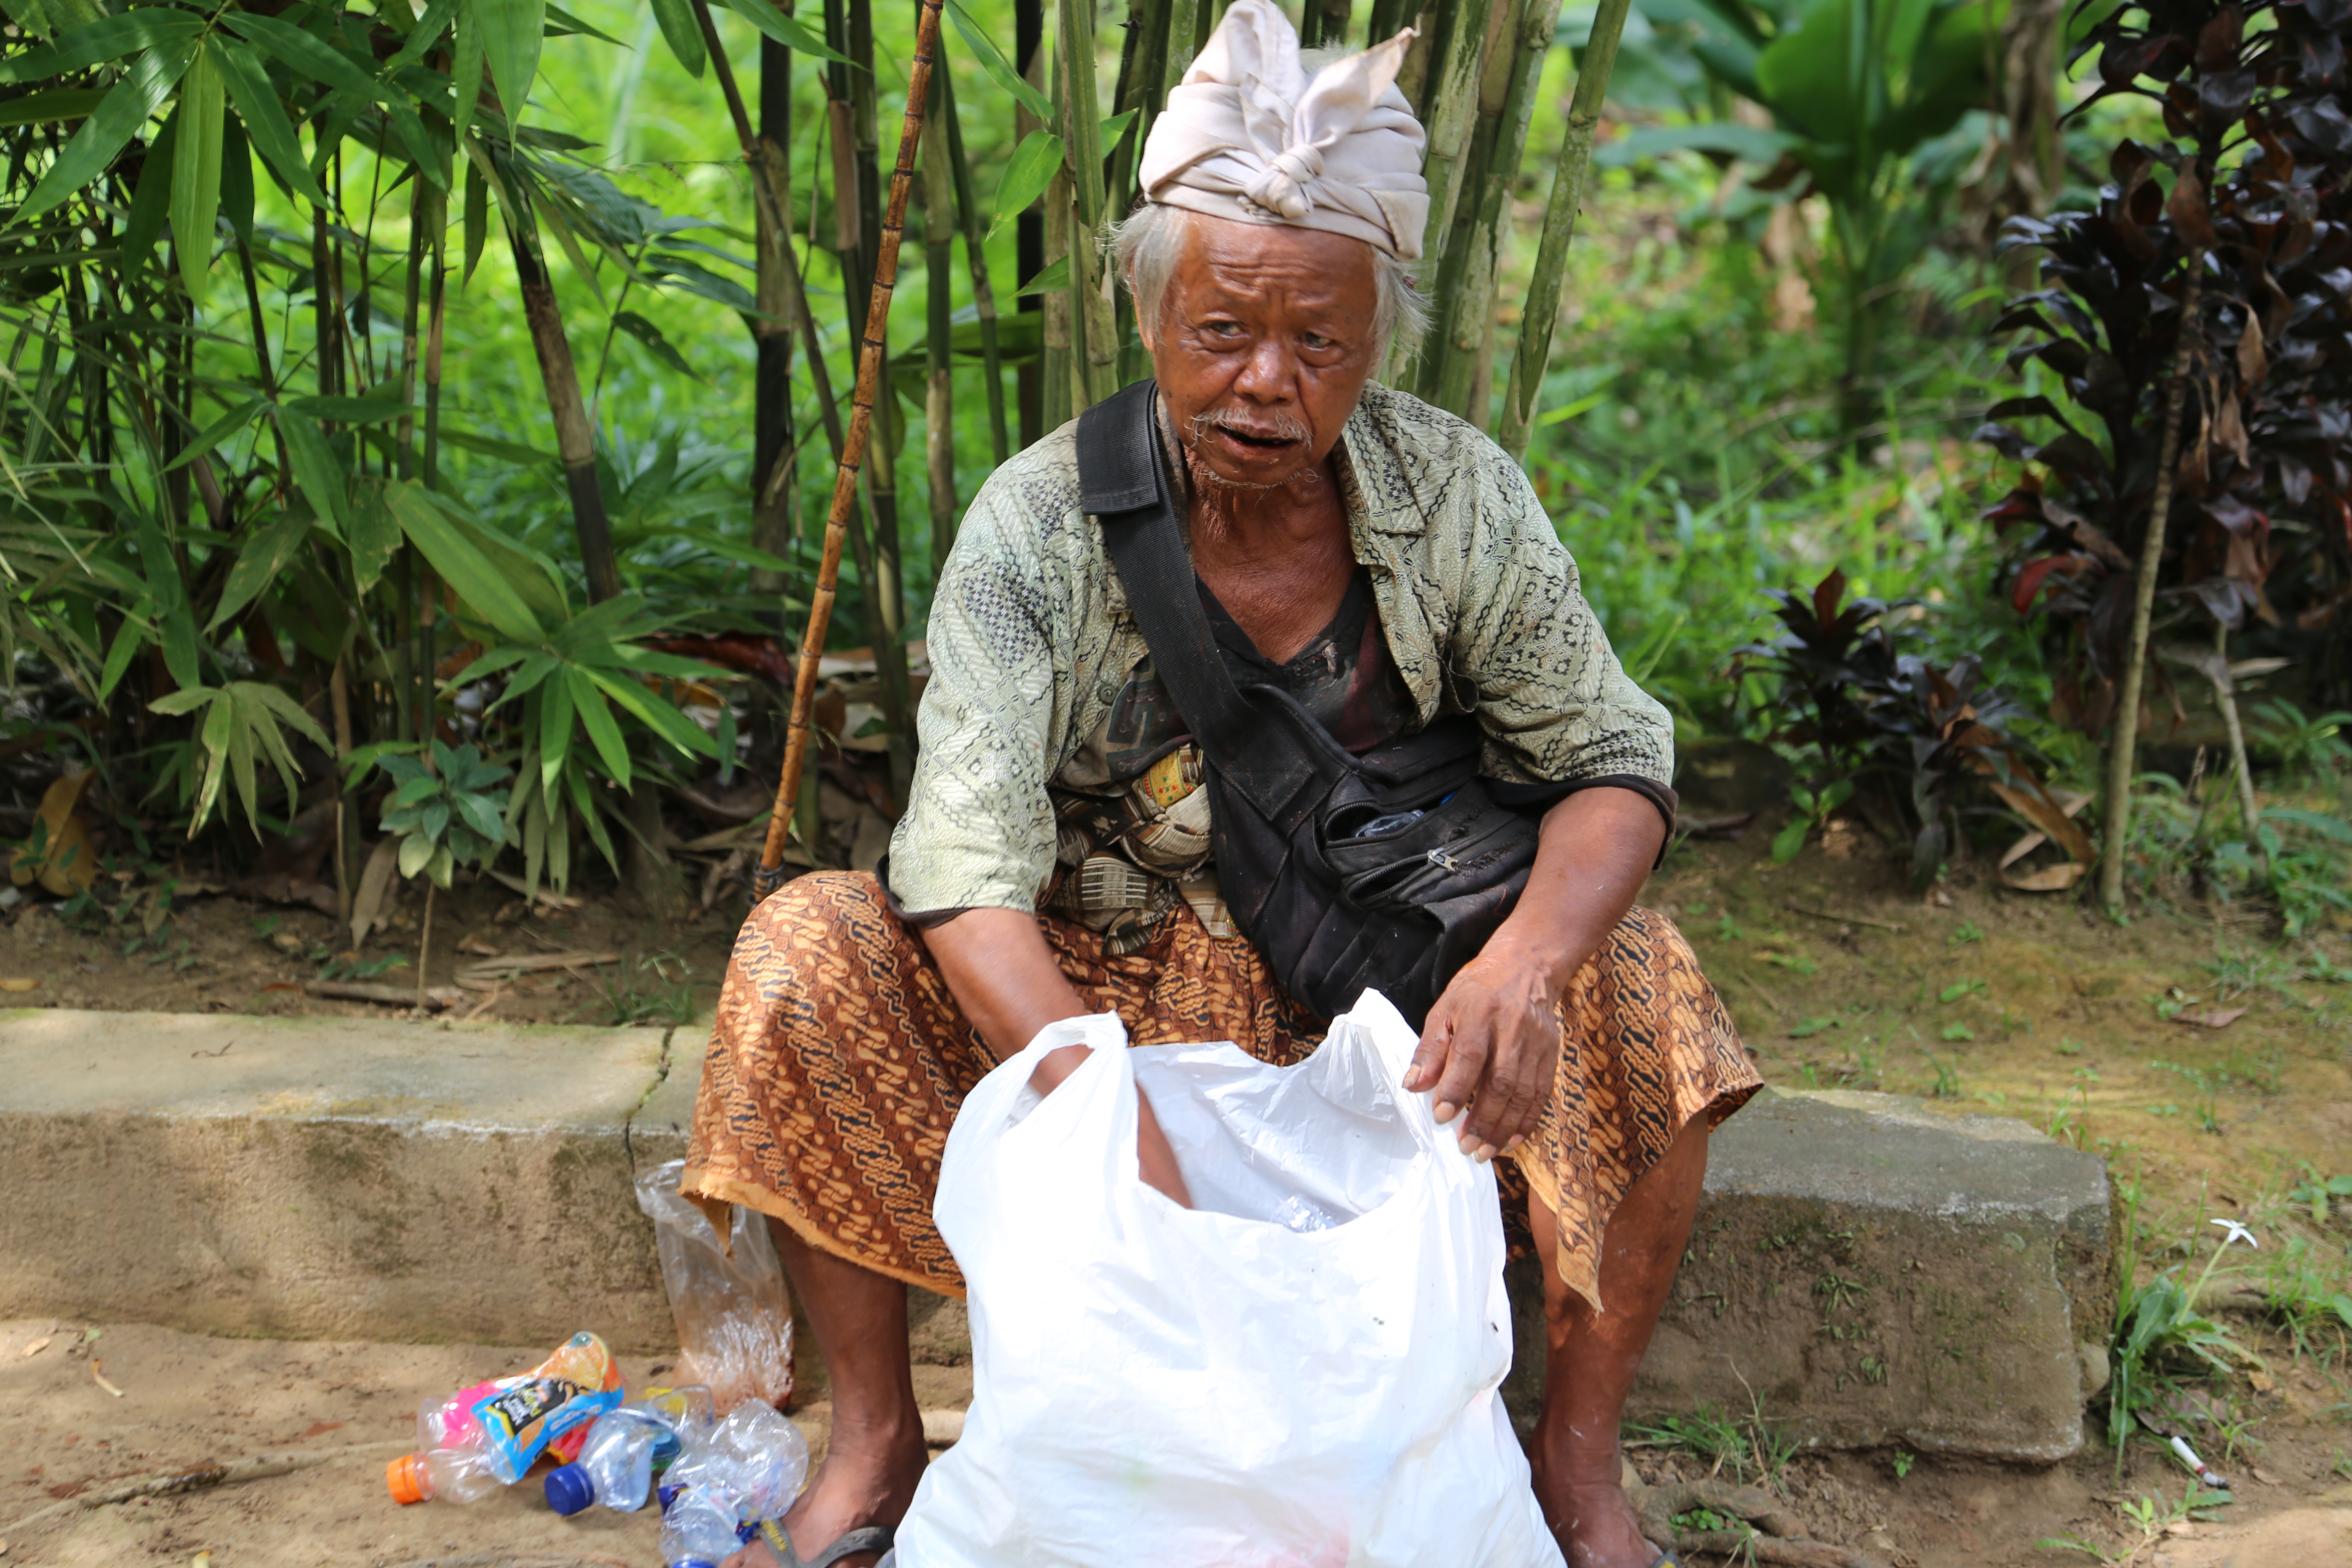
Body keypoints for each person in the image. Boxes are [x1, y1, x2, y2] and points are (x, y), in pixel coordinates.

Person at [686, 4, 1757, 1564]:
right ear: (1152, 321)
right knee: (804, 949)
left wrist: (1524, 968)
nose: (1268, 382)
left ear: (1376, 339)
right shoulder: (1040, 522)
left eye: (1318, 342)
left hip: (1387, 991)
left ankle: (1574, 1469)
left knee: (1640, 978)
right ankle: (877, 1440)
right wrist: (1093, 1081)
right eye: (1223, 335)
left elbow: (1612, 760)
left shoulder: (1454, 493)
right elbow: (965, 863)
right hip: (1089, 978)